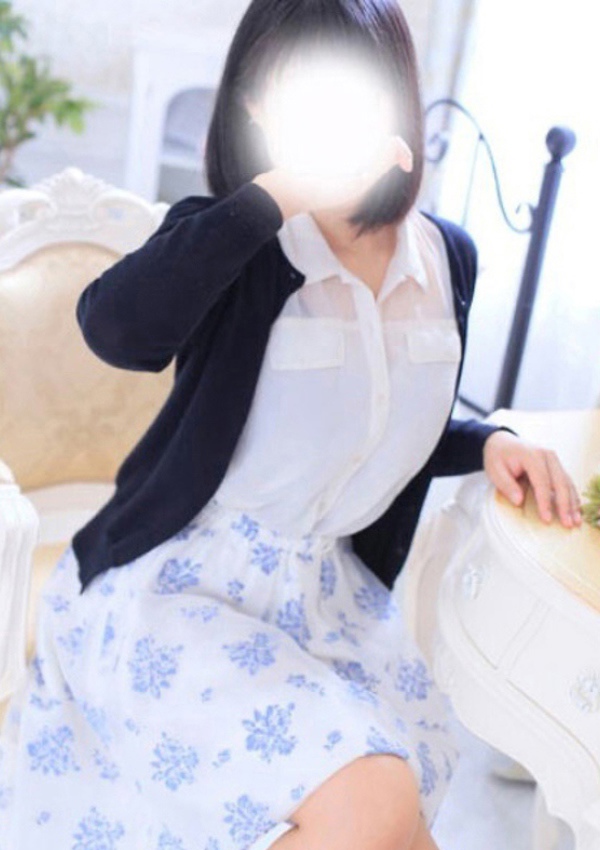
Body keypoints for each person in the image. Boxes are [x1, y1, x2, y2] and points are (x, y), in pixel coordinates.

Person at [0, 1, 582, 849]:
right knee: (373, 804)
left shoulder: (447, 257)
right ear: (256, 108)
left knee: (398, 811)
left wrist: (488, 441)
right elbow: (114, 329)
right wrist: (279, 195)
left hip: (330, 600)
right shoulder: (235, 244)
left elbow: (378, 417)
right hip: (177, 590)